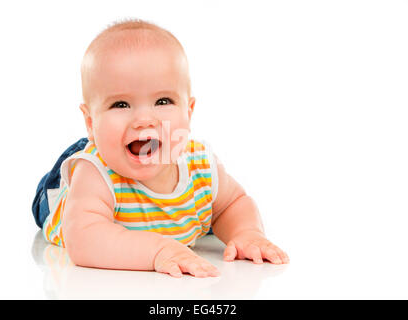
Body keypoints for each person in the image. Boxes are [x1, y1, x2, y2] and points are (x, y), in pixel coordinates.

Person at [32, 19, 289, 278]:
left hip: (169, 205)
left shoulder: (199, 163)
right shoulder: (95, 173)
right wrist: (158, 251)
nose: (144, 119)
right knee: (71, 183)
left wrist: (246, 233)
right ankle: (71, 170)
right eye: (120, 105)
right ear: (90, 122)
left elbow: (233, 204)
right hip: (64, 199)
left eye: (163, 101)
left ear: (188, 112)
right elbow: (84, 241)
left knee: (209, 209)